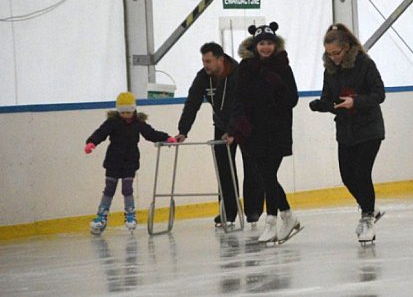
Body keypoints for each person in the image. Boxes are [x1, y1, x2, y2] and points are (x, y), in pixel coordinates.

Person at [309, 23, 386, 244]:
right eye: (329, 54)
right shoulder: (330, 70)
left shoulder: (365, 64)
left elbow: (379, 94)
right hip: (346, 129)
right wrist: (321, 105)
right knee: (347, 176)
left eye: (337, 53)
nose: (333, 57)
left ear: (346, 47)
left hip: (369, 128)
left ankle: (367, 218)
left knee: (362, 173)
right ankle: (371, 207)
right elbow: (329, 99)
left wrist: (355, 101)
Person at [227, 22, 301, 244]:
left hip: (277, 131)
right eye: (262, 44)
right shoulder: (245, 68)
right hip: (253, 132)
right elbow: (238, 99)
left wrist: (278, 85)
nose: (266, 47)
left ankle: (271, 221)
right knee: (266, 175)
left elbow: (292, 99)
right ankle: (287, 215)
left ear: (275, 45)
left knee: (268, 174)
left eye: (269, 43)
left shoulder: (283, 67)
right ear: (255, 45)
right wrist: (237, 126)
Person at [176, 42, 260, 226]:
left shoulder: (238, 74)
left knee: (251, 166)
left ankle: (253, 209)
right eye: (203, 61)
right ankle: (228, 212)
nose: (205, 65)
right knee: (224, 170)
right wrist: (183, 130)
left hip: (244, 124)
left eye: (208, 61)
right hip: (222, 126)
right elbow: (192, 103)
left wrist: (233, 131)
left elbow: (244, 105)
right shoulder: (203, 77)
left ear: (220, 59)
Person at [85, 92, 176, 234]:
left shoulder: (138, 123)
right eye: (123, 112)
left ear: (134, 109)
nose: (126, 115)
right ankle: (101, 216)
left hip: (130, 160)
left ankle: (130, 214)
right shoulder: (112, 122)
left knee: (127, 188)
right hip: (113, 160)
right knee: (109, 188)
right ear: (118, 111)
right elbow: (100, 133)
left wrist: (166, 138)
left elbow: (150, 134)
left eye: (129, 111)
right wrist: (91, 142)